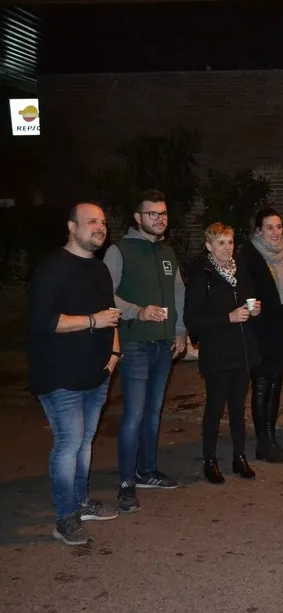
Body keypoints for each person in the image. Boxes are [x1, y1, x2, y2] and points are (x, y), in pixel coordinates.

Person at [28, 203, 121, 545]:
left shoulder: (98, 270)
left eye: (103, 222)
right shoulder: (53, 268)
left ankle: (81, 502)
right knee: (69, 444)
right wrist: (92, 320)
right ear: (71, 226)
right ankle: (65, 517)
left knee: (84, 443)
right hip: (59, 375)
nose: (100, 227)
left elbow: (111, 315)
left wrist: (114, 353)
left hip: (96, 373)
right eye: (92, 221)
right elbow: (43, 321)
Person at [103, 189, 186, 513]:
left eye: (163, 213)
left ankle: (146, 470)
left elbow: (179, 293)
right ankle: (126, 483)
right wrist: (136, 310)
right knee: (134, 415)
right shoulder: (119, 251)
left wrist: (180, 331)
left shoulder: (167, 252)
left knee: (153, 413)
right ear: (137, 218)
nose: (159, 219)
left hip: (164, 344)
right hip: (135, 343)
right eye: (153, 214)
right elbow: (105, 294)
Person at [184, 223, 262, 484]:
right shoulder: (201, 277)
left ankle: (240, 458)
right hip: (217, 353)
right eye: (221, 243)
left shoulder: (239, 272)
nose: (227, 248)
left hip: (242, 351)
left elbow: (250, 300)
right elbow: (192, 321)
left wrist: (255, 310)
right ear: (209, 246)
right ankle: (210, 460)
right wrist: (227, 318)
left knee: (239, 408)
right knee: (215, 408)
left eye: (229, 242)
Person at [241, 207, 283, 463]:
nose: (275, 232)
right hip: (260, 331)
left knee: (274, 386)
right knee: (261, 386)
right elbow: (257, 297)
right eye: (269, 227)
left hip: (278, 331)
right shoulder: (250, 256)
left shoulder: (282, 256)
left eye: (279, 227)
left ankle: (271, 437)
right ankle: (263, 442)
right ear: (259, 230)